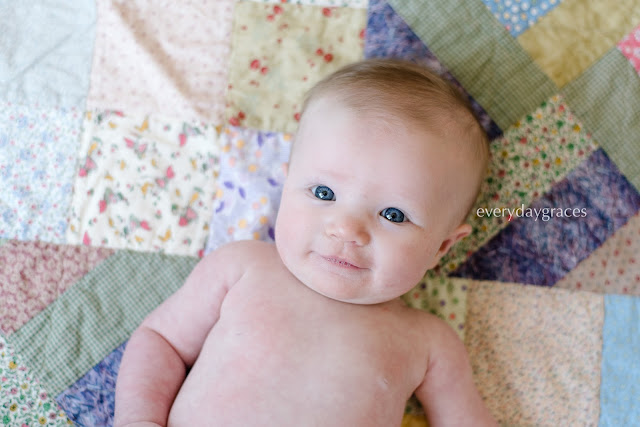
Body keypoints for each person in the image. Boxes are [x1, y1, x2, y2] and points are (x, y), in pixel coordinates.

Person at [114, 58, 497, 427]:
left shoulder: (429, 343)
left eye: (393, 215)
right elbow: (161, 341)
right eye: (324, 193)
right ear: (287, 185)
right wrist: (139, 418)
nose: (346, 229)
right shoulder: (241, 267)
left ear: (442, 247)